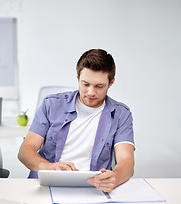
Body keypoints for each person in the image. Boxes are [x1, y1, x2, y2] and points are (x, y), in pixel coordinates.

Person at [18, 49, 135, 193]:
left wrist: (114, 178)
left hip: (93, 188)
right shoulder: (52, 104)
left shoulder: (121, 114)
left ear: (111, 83)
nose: (91, 92)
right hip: (47, 185)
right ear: (78, 77)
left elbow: (126, 160)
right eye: (85, 84)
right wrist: (50, 167)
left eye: (99, 86)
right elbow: (25, 151)